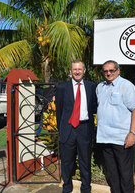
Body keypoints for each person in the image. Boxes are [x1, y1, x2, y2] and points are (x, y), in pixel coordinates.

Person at [96, 60, 135, 193]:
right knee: (112, 173)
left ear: (118, 71)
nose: (108, 73)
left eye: (111, 70)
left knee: (125, 173)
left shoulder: (126, 86)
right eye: (105, 71)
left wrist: (132, 133)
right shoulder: (100, 87)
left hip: (122, 139)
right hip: (105, 137)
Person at [55, 60, 97, 193]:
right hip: (68, 129)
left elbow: (94, 107)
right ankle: (67, 188)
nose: (77, 72)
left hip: (84, 129)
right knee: (67, 162)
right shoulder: (62, 88)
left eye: (79, 69)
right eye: (74, 69)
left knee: (85, 162)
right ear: (70, 71)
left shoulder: (91, 87)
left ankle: (86, 189)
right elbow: (59, 111)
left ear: (84, 70)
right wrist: (61, 129)